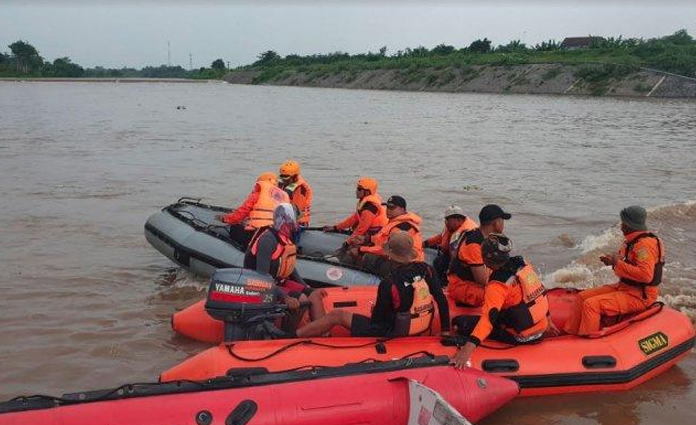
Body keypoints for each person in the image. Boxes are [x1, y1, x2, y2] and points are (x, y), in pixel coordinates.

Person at [279, 231, 450, 338]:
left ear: (390, 256)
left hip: (388, 331)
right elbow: (441, 300)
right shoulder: (426, 270)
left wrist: (373, 310)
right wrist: (445, 331)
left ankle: (290, 337)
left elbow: (376, 321)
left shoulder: (389, 283)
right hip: (418, 325)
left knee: (336, 315)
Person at [451, 233, 550, 369]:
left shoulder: (497, 286)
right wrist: (548, 317)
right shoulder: (523, 264)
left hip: (520, 335)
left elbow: (488, 320)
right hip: (541, 326)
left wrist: (467, 350)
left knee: (459, 323)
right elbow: (538, 290)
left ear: (487, 260)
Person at [563, 206, 664, 336]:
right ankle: (570, 335)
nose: (621, 226)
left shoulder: (643, 246)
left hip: (640, 296)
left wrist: (617, 263)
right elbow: (627, 269)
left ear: (628, 225)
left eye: (623, 223)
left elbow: (645, 276)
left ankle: (588, 344)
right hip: (625, 288)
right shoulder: (632, 241)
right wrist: (612, 263)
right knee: (582, 297)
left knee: (591, 305)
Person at [244, 203, 326, 323]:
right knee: (302, 299)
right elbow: (262, 279)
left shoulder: (285, 237)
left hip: (279, 283)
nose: (298, 225)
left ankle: (321, 331)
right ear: (286, 221)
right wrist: (285, 297)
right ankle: (290, 334)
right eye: (295, 221)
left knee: (314, 294)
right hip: (259, 286)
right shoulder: (268, 240)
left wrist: (306, 286)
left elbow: (289, 266)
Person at [447, 204, 511, 307]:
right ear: (496, 222)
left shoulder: (487, 238)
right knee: (503, 296)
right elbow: (482, 280)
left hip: (472, 282)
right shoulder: (474, 244)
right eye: (502, 220)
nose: (503, 223)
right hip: (462, 286)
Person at [352, 195, 424, 278]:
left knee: (368, 257)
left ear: (402, 209)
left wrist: (361, 250)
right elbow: (384, 239)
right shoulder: (397, 221)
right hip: (404, 260)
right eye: (387, 207)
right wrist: (367, 239)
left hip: (407, 265)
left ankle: (362, 279)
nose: (388, 210)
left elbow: (387, 250)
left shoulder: (400, 228)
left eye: (392, 208)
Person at [216, 172, 290, 248]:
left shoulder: (256, 196)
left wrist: (225, 219)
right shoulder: (284, 199)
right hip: (278, 237)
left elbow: (240, 214)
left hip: (257, 235)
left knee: (235, 226)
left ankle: (239, 249)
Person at [323, 177, 387, 244]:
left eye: (359, 189)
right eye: (357, 188)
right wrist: (336, 227)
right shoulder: (365, 203)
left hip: (377, 233)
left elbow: (362, 229)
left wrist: (348, 242)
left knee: (353, 248)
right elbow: (353, 219)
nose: (356, 191)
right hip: (372, 230)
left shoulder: (369, 208)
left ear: (367, 192)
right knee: (355, 226)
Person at [424, 205, 478, 281]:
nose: (446, 222)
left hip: (464, 264)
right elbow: (441, 236)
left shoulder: (468, 232)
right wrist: (426, 243)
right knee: (437, 262)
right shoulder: (452, 226)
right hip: (449, 256)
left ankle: (439, 283)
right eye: (446, 219)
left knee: (438, 264)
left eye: (448, 220)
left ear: (458, 219)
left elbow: (455, 256)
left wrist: (450, 270)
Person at [278, 160, 313, 228]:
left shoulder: (301, 188)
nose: (284, 180)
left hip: (299, 222)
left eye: (287, 178)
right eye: (282, 177)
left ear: (295, 177)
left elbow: (296, 210)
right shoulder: (284, 184)